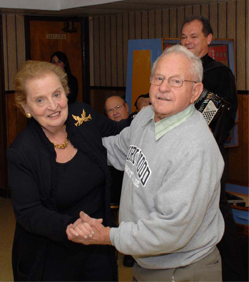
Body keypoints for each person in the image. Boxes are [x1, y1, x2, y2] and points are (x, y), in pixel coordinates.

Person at [66, 45, 225, 282]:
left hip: (182, 269)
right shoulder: (145, 117)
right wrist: (63, 144)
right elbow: (114, 149)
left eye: (176, 81)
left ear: (196, 91)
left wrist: (107, 236)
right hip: (148, 261)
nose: (163, 87)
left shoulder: (195, 149)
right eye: (158, 78)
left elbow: (170, 230)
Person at [7, 60, 130, 281]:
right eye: (40, 100)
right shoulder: (22, 152)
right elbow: (28, 212)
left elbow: (118, 129)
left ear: (65, 92)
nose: (53, 106)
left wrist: (153, 114)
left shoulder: (82, 115)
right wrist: (71, 227)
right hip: (52, 256)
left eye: (56, 94)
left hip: (98, 248)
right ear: (26, 108)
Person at [180, 16, 244, 282]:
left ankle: (236, 273)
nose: (187, 42)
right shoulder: (182, 71)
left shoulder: (218, 74)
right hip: (181, 158)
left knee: (217, 213)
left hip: (208, 158)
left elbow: (207, 119)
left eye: (193, 36)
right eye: (183, 37)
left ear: (209, 38)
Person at [104, 94, 135, 267]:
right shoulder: (105, 131)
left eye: (118, 107)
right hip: (115, 183)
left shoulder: (138, 125)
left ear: (126, 108)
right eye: (110, 110)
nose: (115, 113)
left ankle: (131, 250)